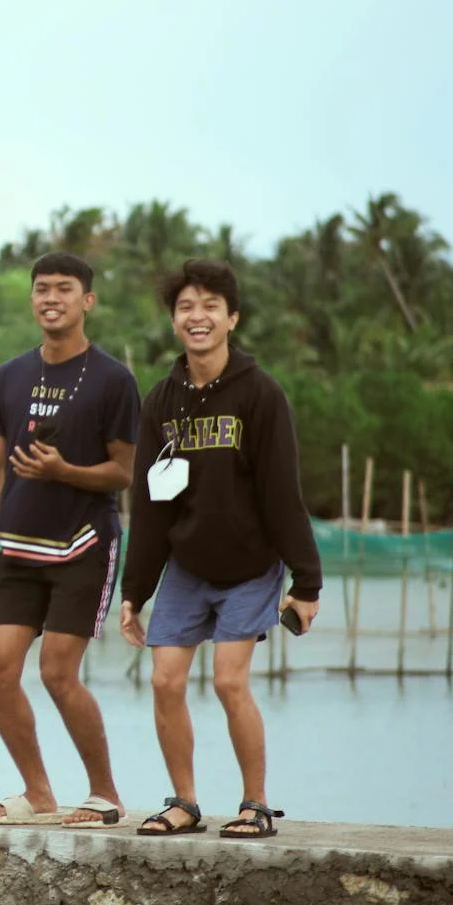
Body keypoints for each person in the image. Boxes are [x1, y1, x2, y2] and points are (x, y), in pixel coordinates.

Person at [119, 259, 322, 840]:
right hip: (187, 565)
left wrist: (306, 582)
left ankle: (256, 805)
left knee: (230, 681)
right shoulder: (161, 401)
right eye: (186, 306)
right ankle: (183, 803)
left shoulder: (260, 394)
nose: (197, 316)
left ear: (232, 318)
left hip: (251, 564)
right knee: (164, 680)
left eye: (210, 306)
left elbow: (282, 493)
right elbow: (150, 505)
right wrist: (135, 591)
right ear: (174, 320)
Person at [0, 252, 137, 827]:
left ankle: (105, 794)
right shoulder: (10, 375)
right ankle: (38, 793)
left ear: (88, 300)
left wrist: (64, 472)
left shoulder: (113, 379)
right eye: (42, 288)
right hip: (17, 546)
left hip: (83, 542)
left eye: (64, 288)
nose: (51, 298)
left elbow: (124, 472)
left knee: (58, 672)